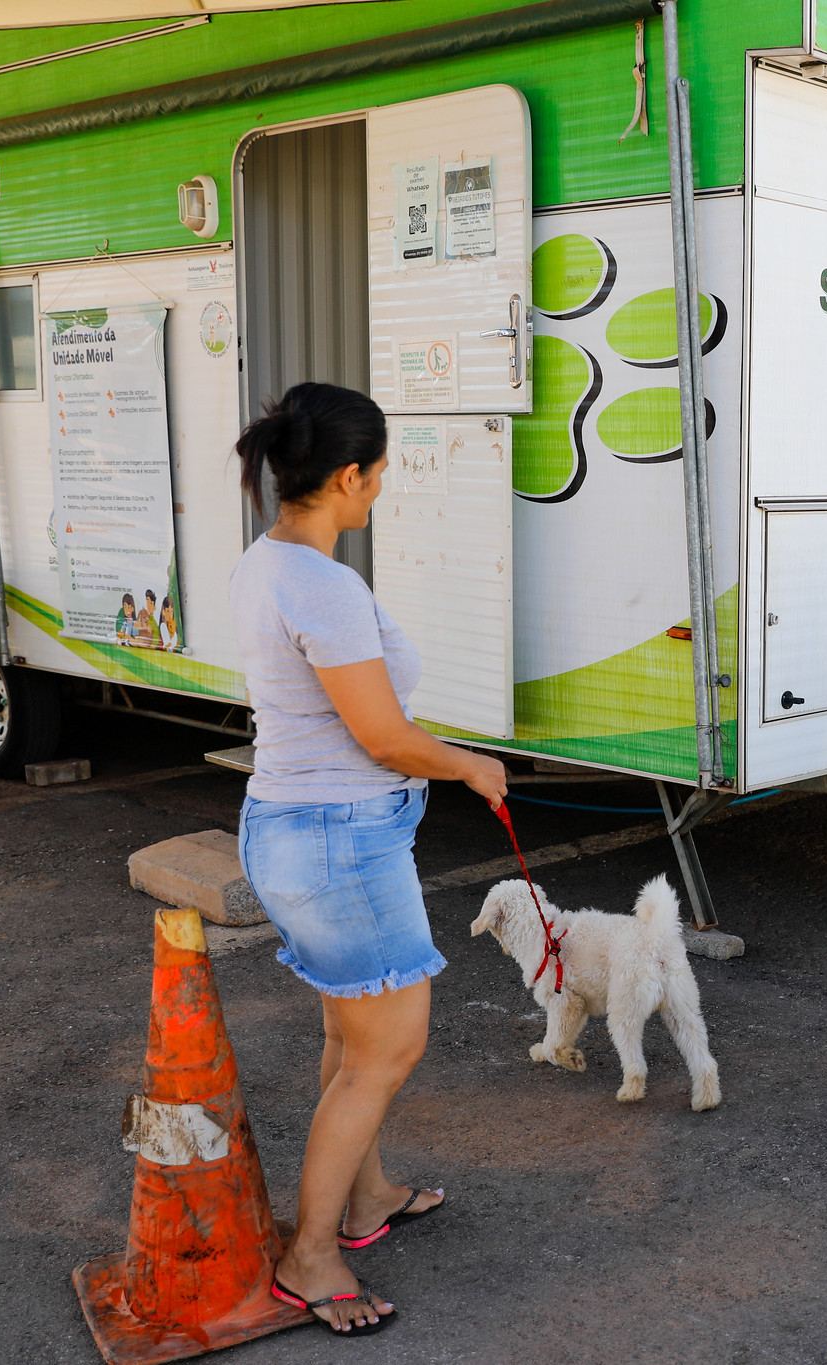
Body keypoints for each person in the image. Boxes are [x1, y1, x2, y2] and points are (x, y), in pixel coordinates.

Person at [230, 381, 508, 1335]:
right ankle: (309, 1259)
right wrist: (473, 766)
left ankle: (366, 1197)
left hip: (296, 824)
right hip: (338, 840)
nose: (381, 487)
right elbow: (384, 737)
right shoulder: (322, 585)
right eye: (379, 473)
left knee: (352, 1040)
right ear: (348, 476)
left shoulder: (267, 564)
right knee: (386, 1051)